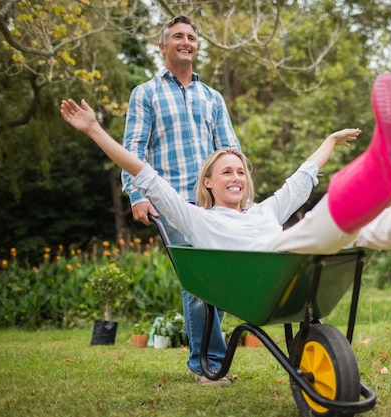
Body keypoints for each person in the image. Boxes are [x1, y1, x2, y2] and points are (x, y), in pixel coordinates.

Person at [61, 70, 391, 307]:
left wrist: (330, 142)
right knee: (317, 231)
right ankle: (382, 166)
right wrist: (95, 132)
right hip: (262, 276)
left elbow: (301, 182)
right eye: (226, 173)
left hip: (294, 266)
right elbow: (145, 172)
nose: (236, 178)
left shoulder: (263, 211)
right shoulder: (195, 217)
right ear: (207, 183)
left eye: (240, 171)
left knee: (373, 230)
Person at [121, 15, 240, 386]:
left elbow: (229, 150)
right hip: (171, 203)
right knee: (198, 279)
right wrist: (137, 194)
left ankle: (209, 359)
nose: (185, 41)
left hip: (212, 204)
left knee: (219, 277)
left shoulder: (212, 97)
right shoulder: (146, 93)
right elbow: (133, 149)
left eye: (191, 36)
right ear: (163, 46)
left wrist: (239, 193)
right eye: (177, 36)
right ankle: (207, 365)